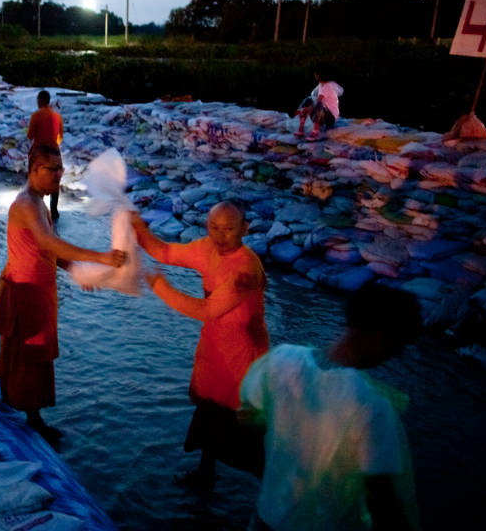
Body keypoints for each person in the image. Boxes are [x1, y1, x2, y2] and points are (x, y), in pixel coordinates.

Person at [239, 283, 422, 531]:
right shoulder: (371, 406)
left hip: (266, 518)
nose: (394, 355)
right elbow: (383, 499)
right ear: (380, 337)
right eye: (396, 346)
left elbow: (248, 417)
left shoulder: (283, 359)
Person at [0, 144, 126, 445]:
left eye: (61, 169)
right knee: (27, 353)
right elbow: (48, 242)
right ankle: (32, 420)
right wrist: (101, 258)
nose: (58, 175)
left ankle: (15, 410)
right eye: (52, 169)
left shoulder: (38, 201)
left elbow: (48, 248)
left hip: (36, 288)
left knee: (24, 353)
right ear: (34, 169)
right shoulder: (26, 203)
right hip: (24, 289)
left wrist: (77, 270)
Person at [130, 201, 269, 489]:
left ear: (245, 228)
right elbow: (164, 252)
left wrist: (161, 288)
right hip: (215, 343)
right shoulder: (207, 248)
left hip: (243, 352)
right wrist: (137, 227)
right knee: (208, 407)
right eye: (214, 227)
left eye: (229, 229)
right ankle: (206, 473)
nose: (220, 236)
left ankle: (273, 493)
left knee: (246, 427)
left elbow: (207, 310)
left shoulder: (246, 269)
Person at [27, 90, 63, 221]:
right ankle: (54, 211)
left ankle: (38, 210)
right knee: (55, 183)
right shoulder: (57, 116)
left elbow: (30, 135)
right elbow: (60, 137)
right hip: (55, 153)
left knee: (35, 182)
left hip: (40, 153)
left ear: (40, 101)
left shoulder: (36, 116)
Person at [294, 66, 343, 141]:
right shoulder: (321, 85)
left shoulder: (327, 87)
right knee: (308, 99)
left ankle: (315, 132)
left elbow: (319, 101)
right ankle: (301, 129)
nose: (315, 76)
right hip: (323, 113)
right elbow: (313, 97)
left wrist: (307, 109)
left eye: (316, 74)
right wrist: (305, 108)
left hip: (330, 117)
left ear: (319, 75)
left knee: (318, 104)